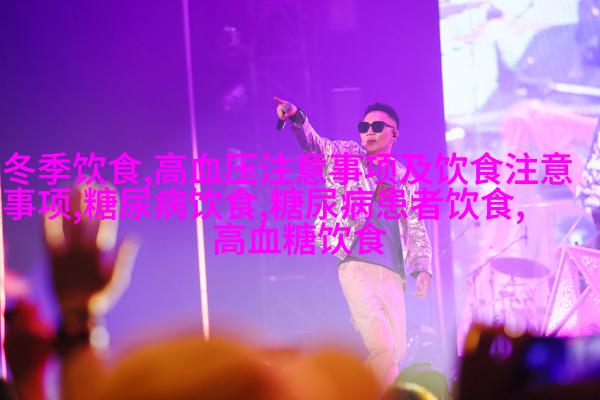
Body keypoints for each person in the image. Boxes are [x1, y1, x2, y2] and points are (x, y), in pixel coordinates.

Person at [274, 97, 433, 385]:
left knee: (395, 352)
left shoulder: (405, 177)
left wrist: (421, 267)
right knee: (382, 348)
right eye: (364, 126)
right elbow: (315, 145)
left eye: (377, 126)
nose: (369, 131)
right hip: (356, 265)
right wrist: (297, 117)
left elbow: (415, 224)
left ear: (394, 133)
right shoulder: (346, 156)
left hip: (393, 272)